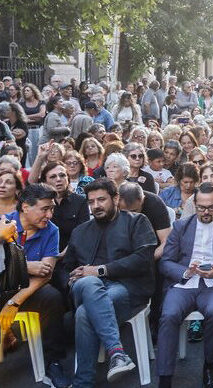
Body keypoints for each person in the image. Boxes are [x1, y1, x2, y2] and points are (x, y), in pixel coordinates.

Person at [60, 178, 158, 386]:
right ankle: (117, 352)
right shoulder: (81, 231)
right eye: (91, 201)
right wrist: (70, 279)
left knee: (84, 312)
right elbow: (65, 267)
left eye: (101, 200)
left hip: (127, 289)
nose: (96, 206)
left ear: (116, 199)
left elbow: (143, 259)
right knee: (88, 284)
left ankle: (82, 382)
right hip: (85, 288)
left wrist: (100, 270)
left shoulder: (137, 221)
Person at [156, 183, 213, 388]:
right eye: (201, 207)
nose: (206, 212)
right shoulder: (180, 226)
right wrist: (185, 272)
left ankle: (209, 366)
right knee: (168, 315)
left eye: (211, 207)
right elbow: (165, 262)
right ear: (194, 204)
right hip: (183, 284)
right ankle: (165, 377)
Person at [0, 184, 70, 387]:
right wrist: (26, 265)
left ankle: (53, 361)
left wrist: (14, 303)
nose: (49, 214)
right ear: (25, 207)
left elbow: (46, 272)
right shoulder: (5, 223)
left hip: (26, 290)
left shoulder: (51, 230)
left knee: (53, 298)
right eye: (44, 209)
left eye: (52, 209)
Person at [41, 161, 89, 252]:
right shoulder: (39, 204)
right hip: (45, 254)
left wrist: (66, 252)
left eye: (62, 175)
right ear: (45, 182)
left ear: (68, 178)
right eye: (53, 177)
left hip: (74, 253)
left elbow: (83, 233)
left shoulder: (80, 201)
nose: (58, 179)